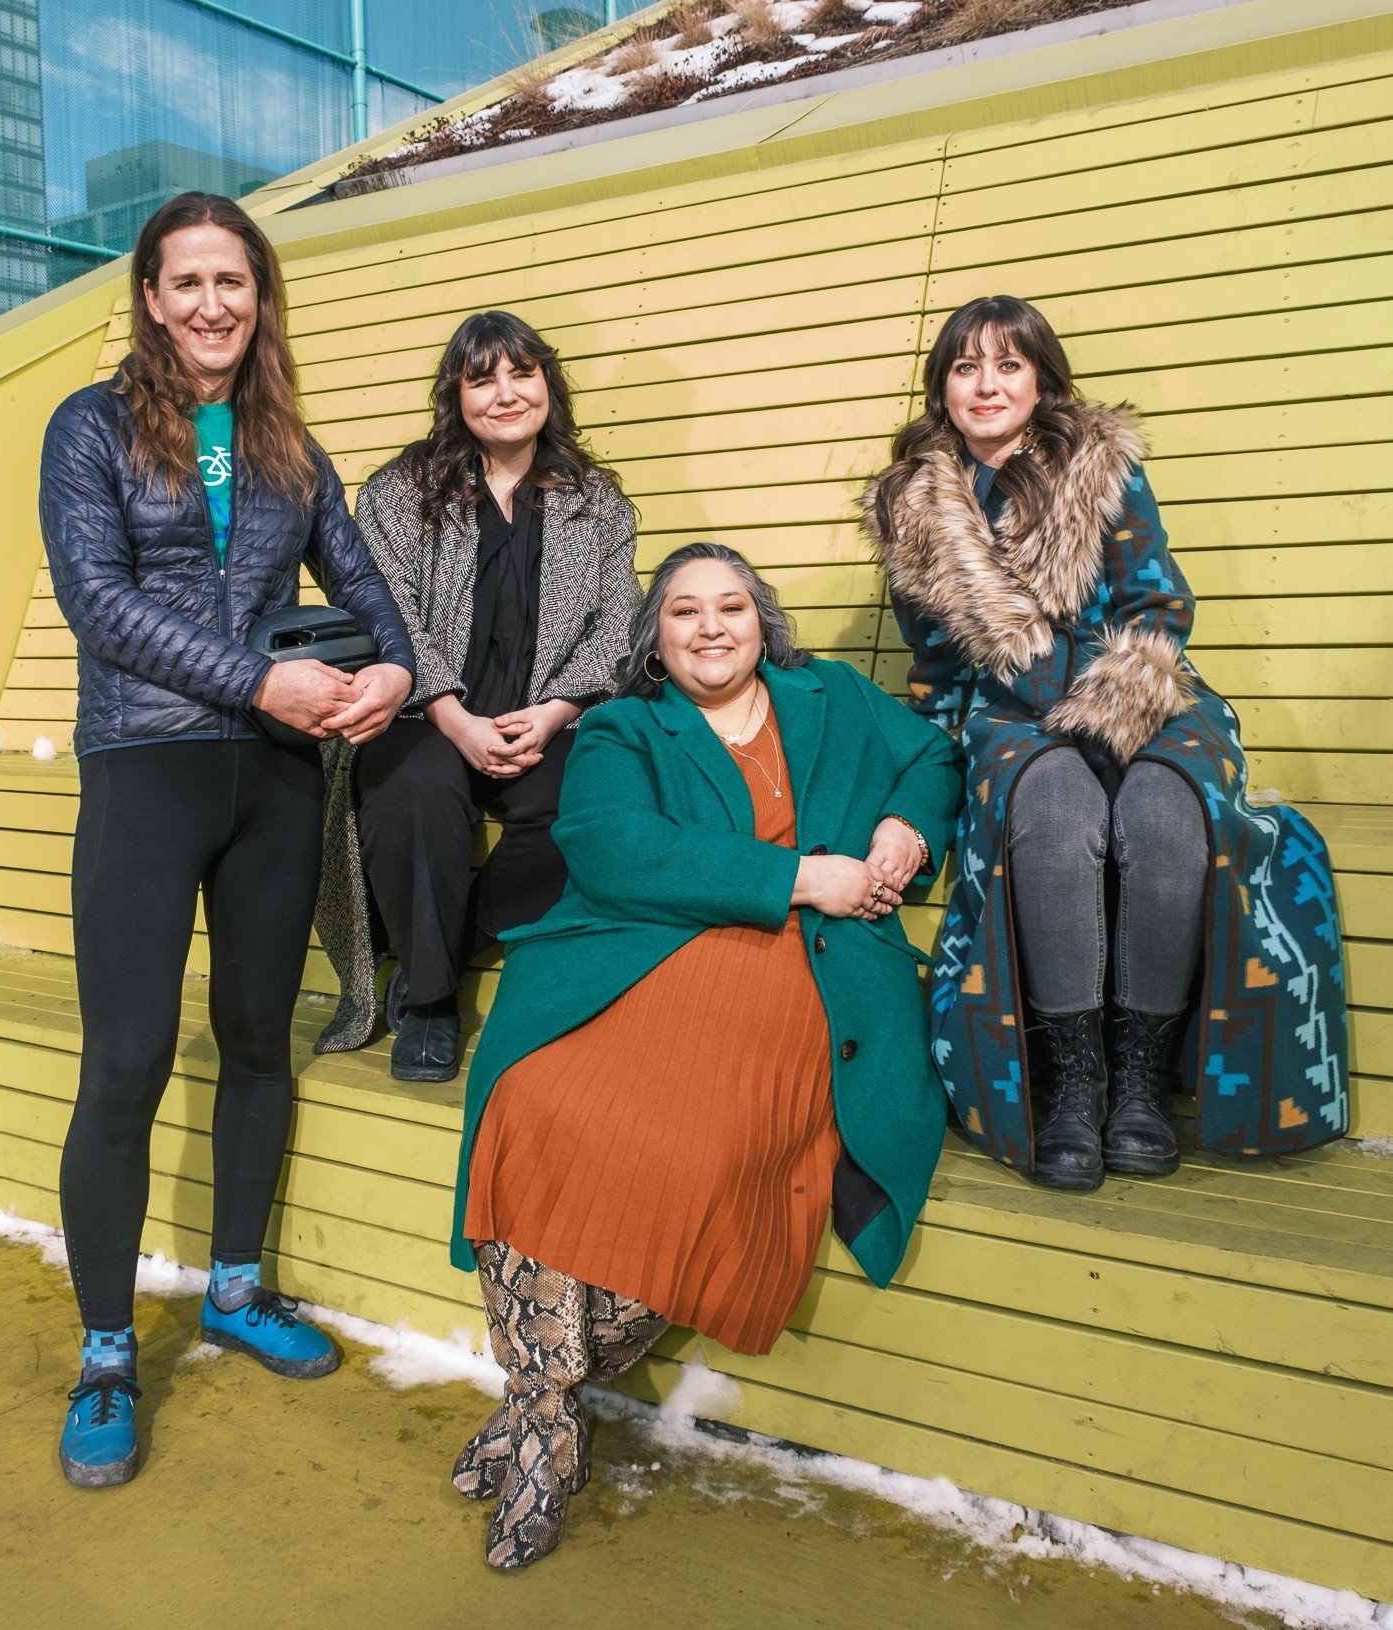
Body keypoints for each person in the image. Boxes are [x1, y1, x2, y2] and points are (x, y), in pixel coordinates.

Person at [445, 542, 964, 1569]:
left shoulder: (832, 697)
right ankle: (549, 1416)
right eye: (684, 611)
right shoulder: (623, 729)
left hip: (797, 982)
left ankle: (535, 1415)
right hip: (638, 963)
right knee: (534, 1101)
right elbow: (614, 847)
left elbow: (933, 757)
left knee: (694, 1149)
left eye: (730, 606)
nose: (710, 625)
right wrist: (801, 874)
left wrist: (905, 828)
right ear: (656, 638)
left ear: (761, 622)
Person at [39, 192, 415, 1488]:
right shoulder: (85, 427)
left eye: (232, 282)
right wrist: (258, 682)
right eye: (187, 280)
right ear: (150, 295)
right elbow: (99, 602)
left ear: (259, 299)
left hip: (272, 782)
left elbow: (368, 594)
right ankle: (102, 1353)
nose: (211, 303)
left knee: (259, 1037)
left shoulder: (286, 449)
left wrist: (396, 677)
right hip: (144, 767)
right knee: (127, 1059)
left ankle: (235, 1287)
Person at [864, 294, 1348, 1192]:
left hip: (1140, 689)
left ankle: (1139, 1082)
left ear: (1041, 376)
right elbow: (936, 673)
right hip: (1004, 714)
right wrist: (916, 790)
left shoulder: (1099, 466)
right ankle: (1077, 1083)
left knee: (1164, 814)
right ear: (941, 387)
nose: (986, 384)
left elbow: (1157, 609)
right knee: (1052, 807)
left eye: (1007, 364)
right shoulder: (911, 506)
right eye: (964, 366)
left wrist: (1100, 710)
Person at [312, 311, 640, 1081]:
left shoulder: (595, 500)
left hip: (549, 713)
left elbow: (617, 623)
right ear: (454, 396)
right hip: (425, 711)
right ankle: (428, 1001)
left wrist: (558, 710)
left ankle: (446, 947)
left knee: (591, 806)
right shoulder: (400, 493)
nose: (505, 393)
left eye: (522, 374)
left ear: (547, 386)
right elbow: (383, 612)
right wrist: (452, 717)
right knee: (410, 792)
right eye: (482, 378)